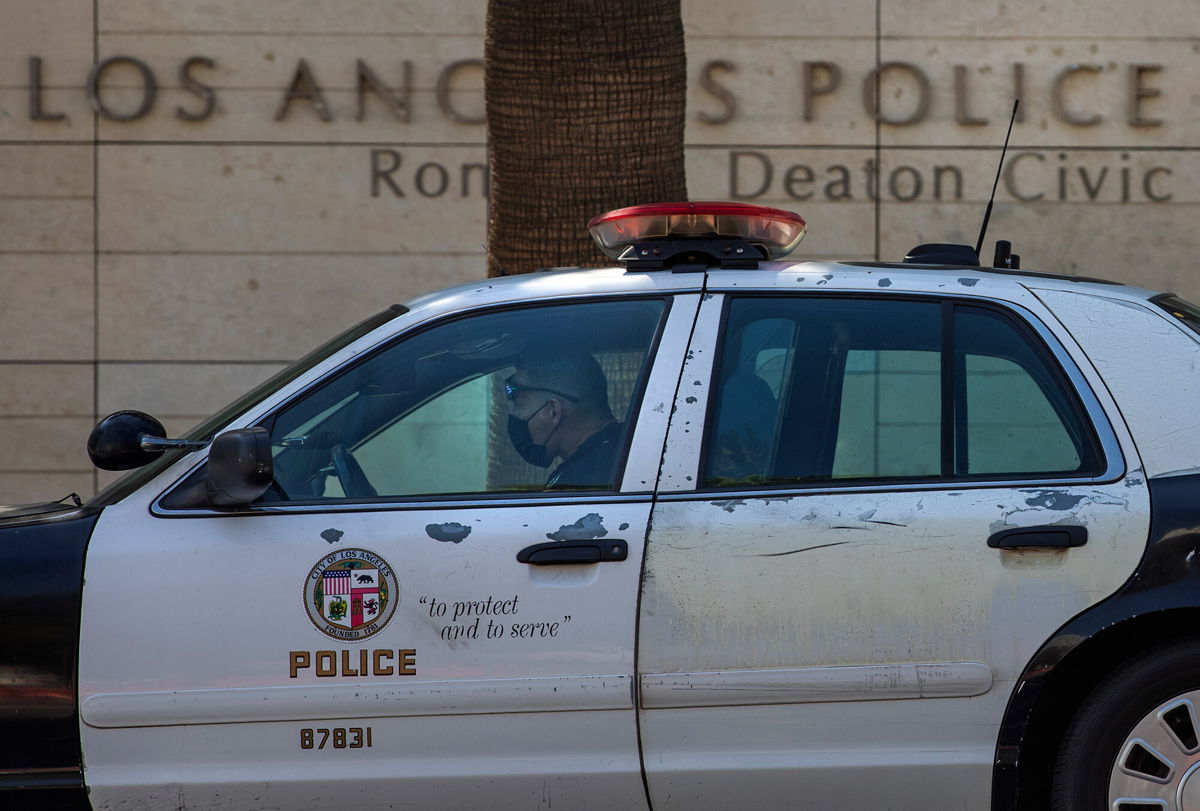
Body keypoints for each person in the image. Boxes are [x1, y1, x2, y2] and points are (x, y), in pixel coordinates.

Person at [505, 349, 623, 489]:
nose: (517, 417)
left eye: (520, 408)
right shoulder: (623, 451)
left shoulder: (583, 483)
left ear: (553, 412)